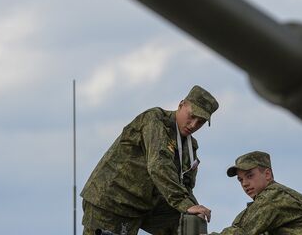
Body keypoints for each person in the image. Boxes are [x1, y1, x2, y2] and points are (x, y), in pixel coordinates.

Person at [81, 85, 219, 235]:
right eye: (192, 116)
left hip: (145, 205)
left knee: (190, 221)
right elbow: (159, 165)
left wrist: (194, 209)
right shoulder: (155, 120)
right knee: (186, 210)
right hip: (112, 201)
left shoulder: (190, 147)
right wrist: (184, 204)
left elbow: (186, 186)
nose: (193, 125)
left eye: (201, 122)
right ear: (181, 105)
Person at [210, 151, 302, 235]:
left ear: (267, 174)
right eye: (240, 180)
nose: (245, 183)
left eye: (250, 176)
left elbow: (241, 231)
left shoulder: (274, 197)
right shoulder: (272, 198)